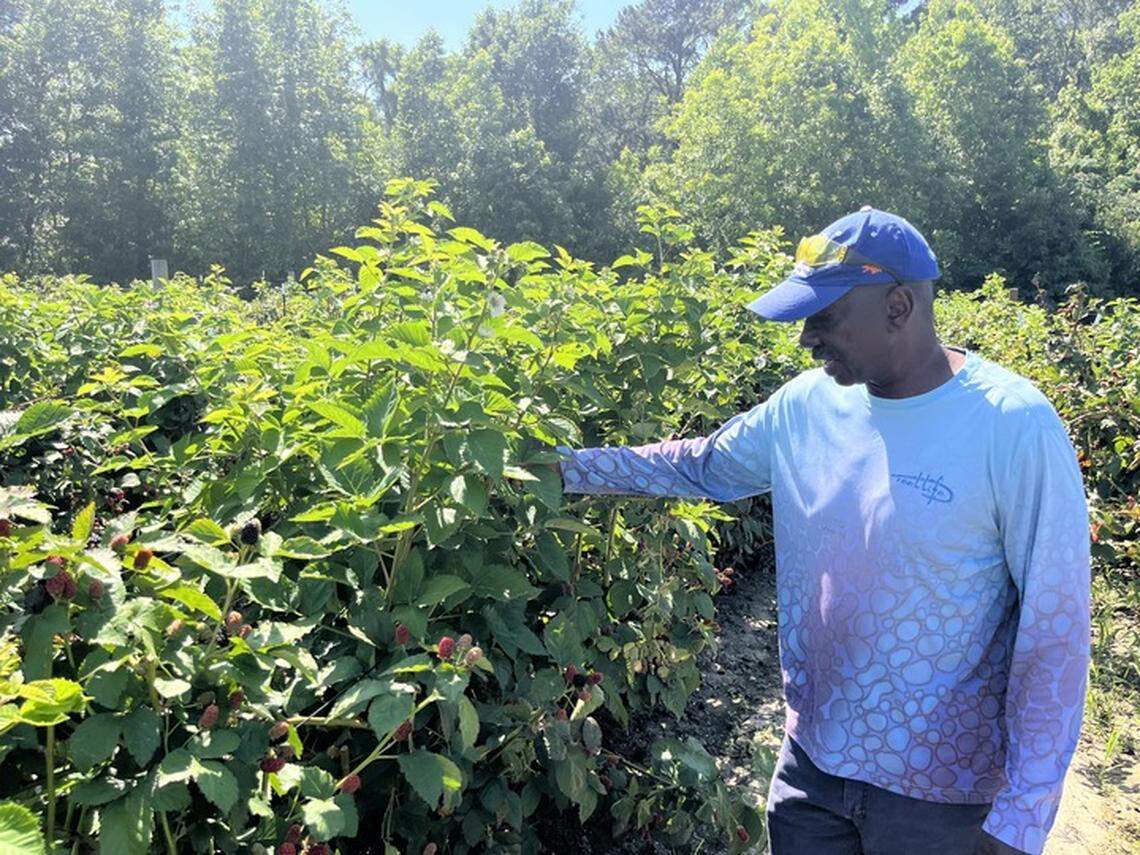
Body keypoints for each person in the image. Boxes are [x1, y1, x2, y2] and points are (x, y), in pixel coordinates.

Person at [551, 207, 1090, 855]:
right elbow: (700, 467)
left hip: (943, 800)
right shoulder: (805, 405)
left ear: (898, 305)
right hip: (812, 772)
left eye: (826, 316)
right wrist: (560, 471)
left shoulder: (1012, 425)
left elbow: (1054, 628)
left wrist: (1024, 816)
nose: (806, 337)